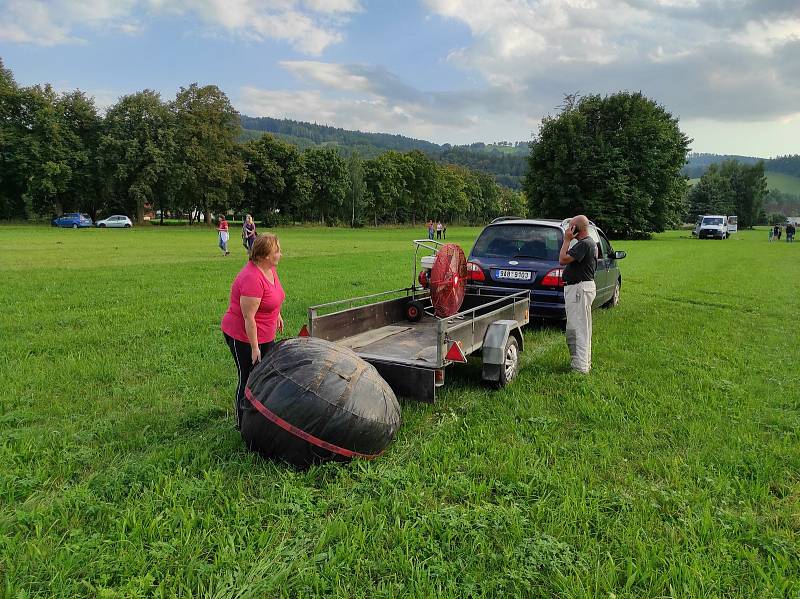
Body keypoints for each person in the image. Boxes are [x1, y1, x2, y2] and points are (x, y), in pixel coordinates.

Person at [221, 233, 286, 430]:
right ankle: (242, 423)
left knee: (264, 375)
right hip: (243, 336)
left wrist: (278, 314)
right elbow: (249, 317)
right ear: (265, 255)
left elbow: (274, 295)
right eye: (277, 251)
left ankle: (260, 415)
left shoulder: (270, 270)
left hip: (265, 333)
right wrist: (254, 347)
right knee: (248, 377)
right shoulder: (251, 278)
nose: (280, 255)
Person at [559, 215, 598, 374]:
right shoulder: (588, 243)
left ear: (576, 229)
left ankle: (581, 368)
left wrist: (567, 239)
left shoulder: (584, 244)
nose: (569, 229)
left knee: (579, 329)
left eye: (571, 226)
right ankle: (580, 363)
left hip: (579, 290)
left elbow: (562, 259)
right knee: (577, 328)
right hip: (579, 289)